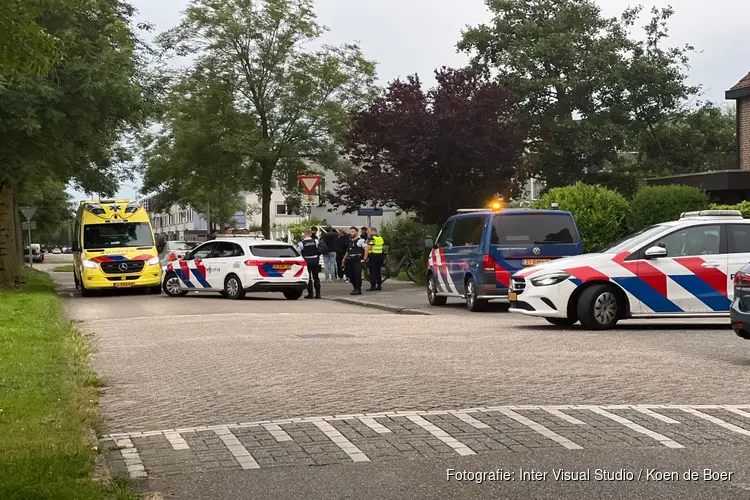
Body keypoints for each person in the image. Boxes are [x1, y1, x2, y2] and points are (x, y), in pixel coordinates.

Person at [343, 226, 368, 295]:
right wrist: (344, 258)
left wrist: (364, 259)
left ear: (356, 232)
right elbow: (348, 251)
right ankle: (355, 287)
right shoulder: (350, 241)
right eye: (350, 232)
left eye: (352, 232)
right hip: (350, 260)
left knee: (357, 274)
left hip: (358, 260)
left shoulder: (360, 240)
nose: (351, 233)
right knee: (350, 275)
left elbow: (366, 249)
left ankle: (358, 289)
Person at [297, 230, 321, 299]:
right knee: (316, 277)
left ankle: (310, 294)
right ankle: (318, 294)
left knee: (309, 278)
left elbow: (298, 251)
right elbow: (320, 249)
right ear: (310, 234)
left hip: (306, 260)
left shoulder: (301, 243)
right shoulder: (315, 241)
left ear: (304, 234)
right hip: (315, 260)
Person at [366, 227, 385, 291]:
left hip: (373, 256)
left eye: (369, 231)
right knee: (378, 272)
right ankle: (379, 286)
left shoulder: (371, 238)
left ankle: (373, 286)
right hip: (380, 256)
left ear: (372, 231)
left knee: (372, 272)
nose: (368, 232)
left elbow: (369, 247)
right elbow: (382, 247)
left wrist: (366, 245)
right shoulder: (380, 238)